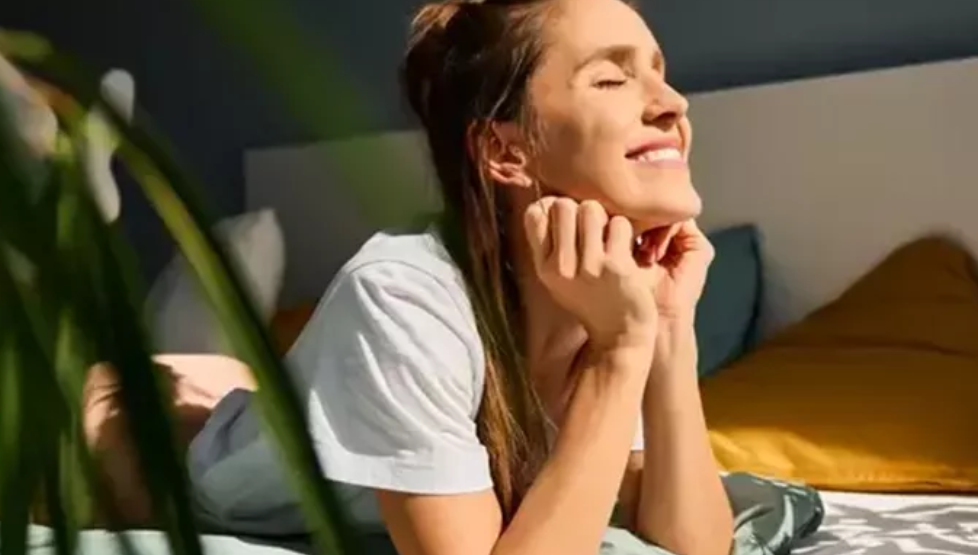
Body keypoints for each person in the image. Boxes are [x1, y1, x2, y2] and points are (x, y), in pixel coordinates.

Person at [84, 0, 735, 553]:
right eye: (611, 79)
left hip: (262, 403)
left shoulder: (612, 295)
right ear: (505, 151)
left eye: (659, 73)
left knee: (257, 384)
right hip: (136, 442)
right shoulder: (400, 295)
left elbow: (697, 546)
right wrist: (619, 354)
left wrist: (668, 330)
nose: (673, 103)